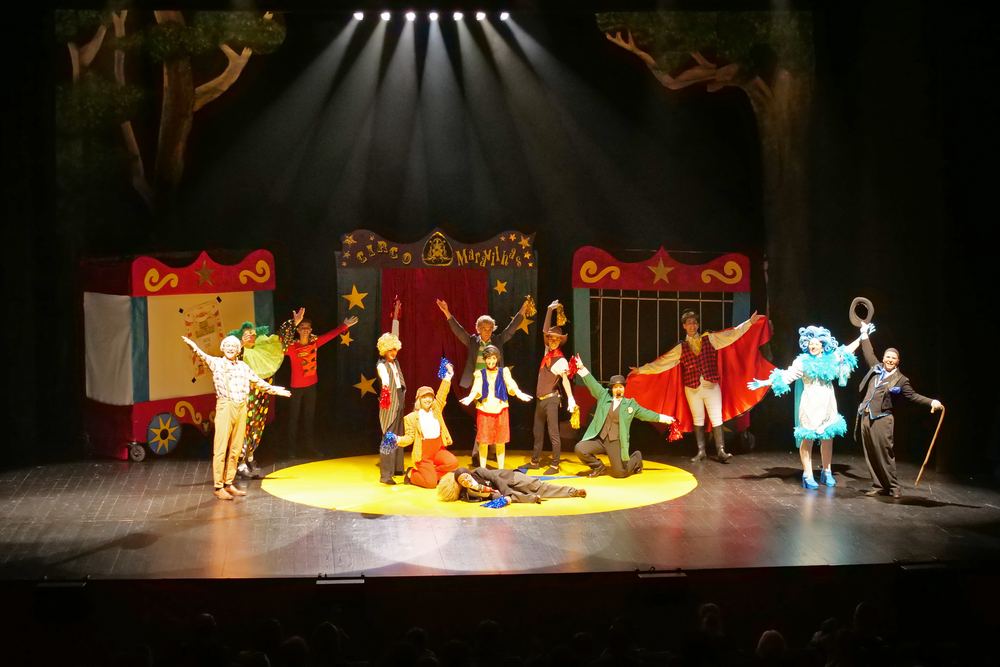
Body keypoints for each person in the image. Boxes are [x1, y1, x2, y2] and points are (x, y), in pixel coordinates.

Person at [627, 310, 774, 464]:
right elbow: (662, 364)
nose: (692, 326)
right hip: (692, 389)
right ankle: (701, 451)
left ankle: (721, 451)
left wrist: (749, 323)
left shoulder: (710, 338)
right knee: (698, 418)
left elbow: (732, 334)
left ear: (697, 325)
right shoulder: (681, 347)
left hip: (711, 385)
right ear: (684, 326)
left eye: (694, 323)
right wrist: (641, 370)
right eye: (689, 323)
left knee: (716, 417)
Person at [748, 324, 863, 489]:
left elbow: (846, 351)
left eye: (816, 343)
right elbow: (787, 376)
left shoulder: (831, 358)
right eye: (810, 343)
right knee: (808, 438)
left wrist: (862, 336)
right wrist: (765, 382)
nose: (812, 346)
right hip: (810, 403)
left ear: (823, 345)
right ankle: (807, 474)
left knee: (827, 437)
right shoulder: (802, 362)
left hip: (828, 404)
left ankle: (827, 471)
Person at [181, 335, 290, 500]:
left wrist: (274, 390)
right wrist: (193, 346)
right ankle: (218, 486)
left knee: (236, 448)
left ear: (238, 350)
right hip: (226, 406)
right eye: (228, 346)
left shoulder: (243, 367)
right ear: (223, 348)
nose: (230, 349)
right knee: (221, 448)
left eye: (233, 346)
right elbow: (202, 355)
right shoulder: (217, 363)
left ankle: (228, 483)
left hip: (241, 407)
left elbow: (258, 382)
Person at [436, 296, 530, 464]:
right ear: (478, 329)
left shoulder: (498, 340)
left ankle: (487, 451)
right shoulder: (473, 341)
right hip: (478, 385)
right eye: (483, 328)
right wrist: (447, 312)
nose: (487, 331)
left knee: (495, 416)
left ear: (493, 329)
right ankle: (478, 453)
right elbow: (458, 331)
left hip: (496, 384)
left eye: (489, 328)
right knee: (482, 418)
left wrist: (523, 310)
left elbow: (511, 328)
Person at [856, 327, 943, 498]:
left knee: (885, 454)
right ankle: (879, 485)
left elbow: (913, 396)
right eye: (887, 357)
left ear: (897, 361)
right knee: (870, 453)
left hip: (882, 419)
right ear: (883, 358)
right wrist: (864, 333)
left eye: (893, 358)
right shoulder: (876, 368)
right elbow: (868, 352)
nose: (889, 360)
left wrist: (932, 402)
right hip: (866, 415)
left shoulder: (901, 380)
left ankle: (894, 487)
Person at [573, 355, 675, 478]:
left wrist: (663, 418)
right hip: (600, 440)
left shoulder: (630, 404)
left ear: (624, 388)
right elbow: (592, 384)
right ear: (612, 389)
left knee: (619, 473)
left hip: (615, 442)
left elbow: (646, 414)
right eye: (616, 387)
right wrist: (581, 368)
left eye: (621, 387)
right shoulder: (604, 396)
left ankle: (636, 458)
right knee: (580, 448)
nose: (618, 389)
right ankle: (599, 467)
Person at [232, 310, 300, 479]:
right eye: (246, 335)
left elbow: (281, 341)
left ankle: (250, 457)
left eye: (252, 334)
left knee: (257, 427)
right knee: (244, 427)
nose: (251, 337)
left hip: (261, 397)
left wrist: (293, 323)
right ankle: (240, 462)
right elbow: (232, 358)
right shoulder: (238, 352)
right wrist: (240, 343)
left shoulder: (264, 347)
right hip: (245, 397)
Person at [284, 313, 359, 457]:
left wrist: (345, 326)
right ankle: (291, 450)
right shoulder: (291, 347)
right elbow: (279, 343)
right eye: (302, 327)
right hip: (296, 388)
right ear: (298, 330)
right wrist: (292, 324)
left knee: (309, 418)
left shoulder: (315, 342)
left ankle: (309, 447)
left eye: (307, 327)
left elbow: (330, 335)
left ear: (311, 330)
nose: (305, 330)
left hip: (311, 386)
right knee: (294, 419)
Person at [459, 344, 533, 470]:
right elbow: (476, 388)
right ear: (485, 359)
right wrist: (470, 398)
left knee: (500, 442)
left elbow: (511, 384)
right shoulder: (480, 374)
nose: (491, 361)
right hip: (484, 410)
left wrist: (519, 393)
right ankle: (482, 469)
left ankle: (501, 469)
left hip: (500, 409)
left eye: (493, 358)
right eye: (488, 358)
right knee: (483, 442)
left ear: (497, 358)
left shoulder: (504, 372)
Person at [526, 300, 577, 474]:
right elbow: (544, 331)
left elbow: (565, 381)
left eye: (556, 339)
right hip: (540, 401)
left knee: (553, 433)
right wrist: (549, 310)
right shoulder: (547, 353)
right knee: (537, 432)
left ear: (560, 341)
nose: (553, 341)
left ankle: (555, 465)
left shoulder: (561, 360)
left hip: (552, 400)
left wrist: (571, 398)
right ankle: (535, 461)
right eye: (551, 338)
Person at [396, 363, 460, 488]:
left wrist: (448, 375)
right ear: (419, 399)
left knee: (453, 463)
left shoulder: (436, 409)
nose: (428, 399)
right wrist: (398, 440)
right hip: (423, 455)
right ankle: (411, 474)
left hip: (438, 450)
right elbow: (409, 437)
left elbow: (442, 393)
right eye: (424, 397)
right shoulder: (411, 417)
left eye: (430, 397)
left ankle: (431, 474)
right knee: (431, 484)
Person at [436, 466, 587, 504]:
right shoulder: (469, 493)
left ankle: (572, 492)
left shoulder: (479, 472)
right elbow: (487, 496)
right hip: (500, 492)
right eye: (462, 481)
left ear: (469, 474)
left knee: (537, 485)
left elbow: (496, 478)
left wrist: (506, 493)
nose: (466, 481)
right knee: (505, 497)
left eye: (466, 477)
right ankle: (533, 498)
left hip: (509, 479)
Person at [376, 298, 404, 484]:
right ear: (384, 350)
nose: (393, 352)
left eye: (395, 349)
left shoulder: (395, 362)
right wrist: (386, 389)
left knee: (398, 436)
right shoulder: (382, 365)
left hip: (400, 399)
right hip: (389, 401)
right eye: (390, 350)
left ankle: (397, 468)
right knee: (389, 436)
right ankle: (386, 475)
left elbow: (395, 334)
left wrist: (395, 318)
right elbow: (385, 378)